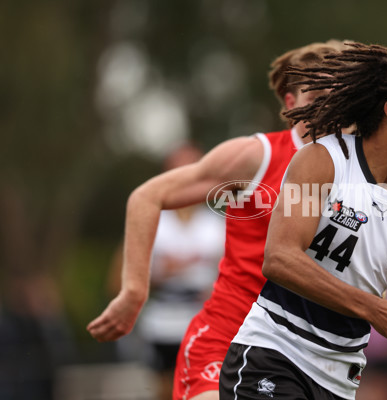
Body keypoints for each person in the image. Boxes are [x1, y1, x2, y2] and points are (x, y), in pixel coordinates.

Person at [219, 42, 387, 399]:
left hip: (340, 382)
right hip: (273, 355)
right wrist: (377, 309)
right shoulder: (321, 161)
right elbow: (280, 258)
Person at [87, 39, 348, 400]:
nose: (326, 104)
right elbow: (148, 196)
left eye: (338, 93)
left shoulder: (366, 176)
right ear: (290, 103)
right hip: (226, 336)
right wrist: (134, 291)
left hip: (306, 355)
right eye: (315, 92)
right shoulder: (256, 156)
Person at [105, 143, 226, 400]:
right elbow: (116, 281)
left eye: (195, 169)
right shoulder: (151, 222)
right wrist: (158, 275)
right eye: (179, 169)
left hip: (207, 322)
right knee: (167, 391)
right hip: (162, 324)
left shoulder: (217, 225)